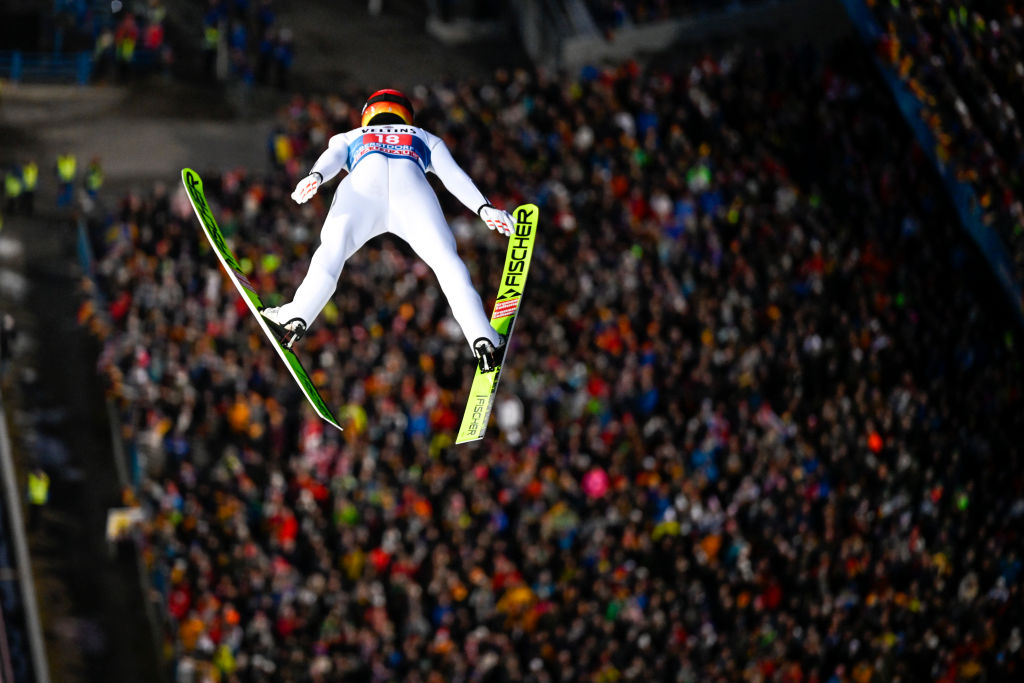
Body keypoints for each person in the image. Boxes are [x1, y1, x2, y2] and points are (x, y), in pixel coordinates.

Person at [260, 89, 515, 371]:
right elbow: (453, 175)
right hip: (413, 192)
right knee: (446, 262)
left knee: (331, 252)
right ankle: (481, 336)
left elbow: (331, 158)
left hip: (361, 190)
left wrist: (315, 176)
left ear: (367, 113)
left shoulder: (351, 135)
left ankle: (298, 315)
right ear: (407, 115)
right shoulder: (423, 136)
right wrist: (484, 207)